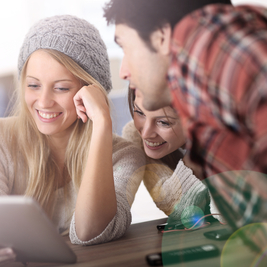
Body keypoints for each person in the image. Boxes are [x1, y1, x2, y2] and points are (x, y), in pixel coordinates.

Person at [0, 15, 145, 266]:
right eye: (34, 85)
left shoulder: (124, 155)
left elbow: (91, 233)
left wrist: (101, 122)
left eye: (61, 88)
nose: (44, 102)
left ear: (91, 91)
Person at [104, 0, 267, 254]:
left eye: (124, 45)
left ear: (161, 35)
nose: (123, 71)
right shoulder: (196, 99)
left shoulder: (216, 49)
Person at [122, 89, 222, 226]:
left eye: (164, 122)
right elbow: (172, 204)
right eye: (139, 112)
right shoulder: (136, 134)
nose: (145, 134)